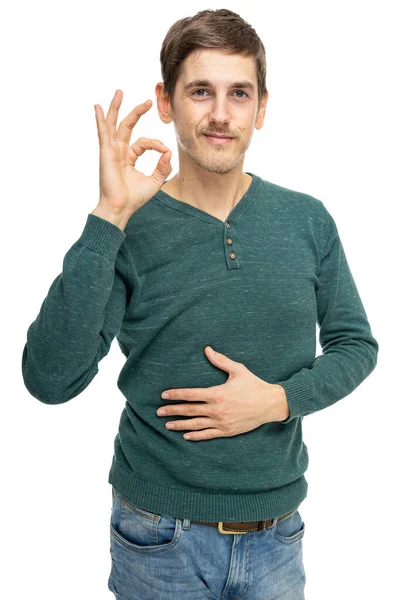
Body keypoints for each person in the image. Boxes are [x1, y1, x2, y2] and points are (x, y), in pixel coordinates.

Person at [21, 8, 379, 600]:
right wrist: (109, 217)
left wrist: (276, 401)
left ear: (262, 107)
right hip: (158, 539)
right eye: (200, 91)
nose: (220, 113)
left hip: (278, 539)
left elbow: (355, 345)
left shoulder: (308, 219)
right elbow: (50, 379)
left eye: (239, 93)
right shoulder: (129, 228)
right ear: (166, 102)